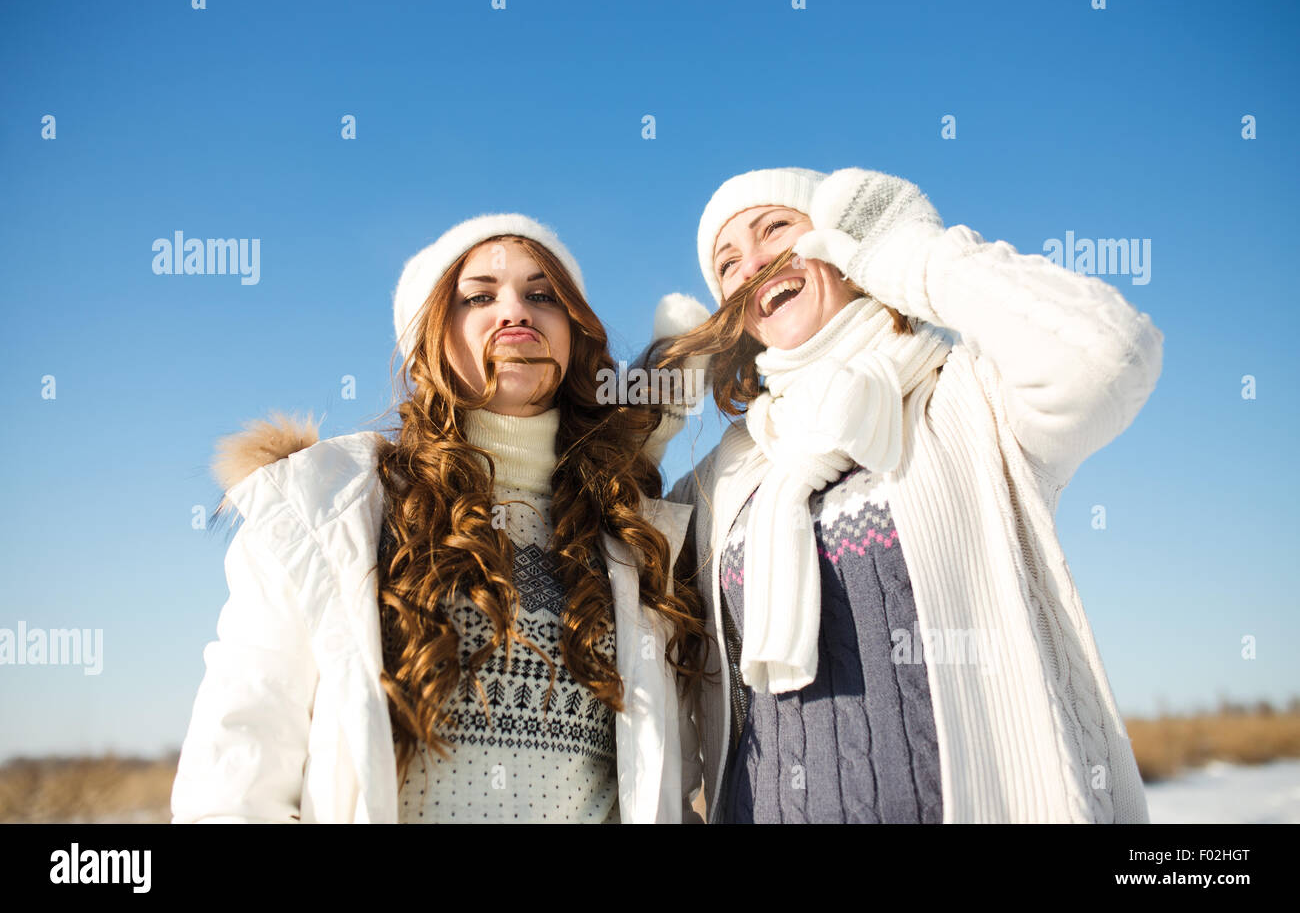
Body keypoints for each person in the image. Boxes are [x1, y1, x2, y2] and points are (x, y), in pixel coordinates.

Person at [656, 167, 1163, 823]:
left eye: (776, 228)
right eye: (727, 263)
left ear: (840, 239)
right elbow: (616, 566)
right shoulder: (722, 480)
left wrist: (914, 255)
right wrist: (648, 416)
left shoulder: (964, 397)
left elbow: (1109, 356)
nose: (753, 262)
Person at [171, 213, 710, 823]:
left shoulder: (626, 533)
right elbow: (237, 769)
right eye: (479, 296)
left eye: (542, 295)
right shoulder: (328, 510)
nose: (516, 312)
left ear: (573, 333)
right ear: (429, 336)